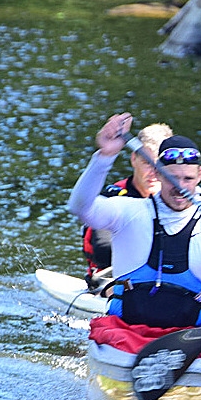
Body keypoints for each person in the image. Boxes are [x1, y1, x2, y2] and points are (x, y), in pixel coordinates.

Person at [68, 112, 201, 332]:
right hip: (121, 336)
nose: (179, 186)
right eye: (172, 178)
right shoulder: (128, 212)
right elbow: (79, 207)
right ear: (158, 173)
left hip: (184, 340)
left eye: (187, 179)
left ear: (199, 175)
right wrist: (105, 156)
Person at [81, 122, 173, 289]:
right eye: (147, 163)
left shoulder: (178, 200)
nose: (154, 172)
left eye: (160, 165)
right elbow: (102, 250)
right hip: (110, 280)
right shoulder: (114, 199)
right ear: (134, 159)